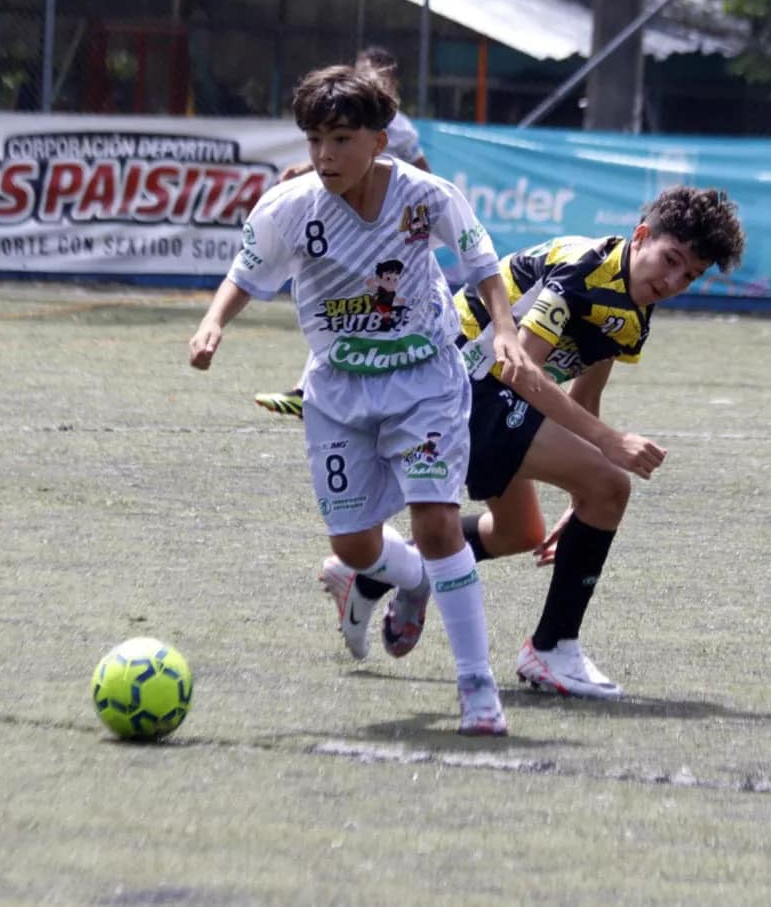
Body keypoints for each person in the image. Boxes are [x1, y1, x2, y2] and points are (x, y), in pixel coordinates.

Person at [187, 64, 532, 736]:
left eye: (340, 139)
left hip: (425, 379)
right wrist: (213, 322)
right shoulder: (287, 207)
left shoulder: (426, 197)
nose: (323, 155)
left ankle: (477, 686)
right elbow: (244, 276)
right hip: (338, 389)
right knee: (351, 543)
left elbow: (482, 263)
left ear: (381, 139)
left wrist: (506, 331)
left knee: (438, 523)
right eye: (315, 139)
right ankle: (409, 577)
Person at [321, 187, 746, 698]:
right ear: (641, 237)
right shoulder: (584, 269)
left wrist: (581, 494)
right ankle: (551, 650)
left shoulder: (635, 306)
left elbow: (585, 392)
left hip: (492, 393)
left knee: (520, 531)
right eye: (671, 260)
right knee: (612, 485)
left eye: (690, 275)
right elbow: (516, 368)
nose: (673, 281)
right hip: (456, 384)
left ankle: (369, 576)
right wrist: (606, 451)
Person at [256, 47, 431, 419]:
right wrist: (306, 169)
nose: (369, 81)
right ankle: (308, 390)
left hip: (389, 227)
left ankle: (421, 385)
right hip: (352, 217)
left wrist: (429, 208)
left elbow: (421, 171)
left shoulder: (399, 128)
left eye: (377, 76)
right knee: (338, 304)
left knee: (388, 312)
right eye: (363, 74)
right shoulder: (348, 115)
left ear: (389, 82)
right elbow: (338, 151)